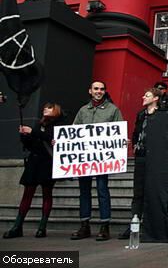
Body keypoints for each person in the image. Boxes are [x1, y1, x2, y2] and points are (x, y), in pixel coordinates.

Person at [71, 81, 124, 241]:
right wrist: (61, 142)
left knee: (102, 190)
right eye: (96, 89)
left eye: (101, 89)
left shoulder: (113, 110)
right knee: (84, 191)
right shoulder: (82, 111)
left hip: (103, 159)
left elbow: (119, 129)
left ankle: (104, 226)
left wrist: (123, 140)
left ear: (104, 91)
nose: (99, 91)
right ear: (90, 91)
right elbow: (73, 131)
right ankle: (84, 225)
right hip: (84, 159)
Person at [3, 103, 65, 239]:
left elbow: (50, 138)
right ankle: (17, 226)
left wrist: (33, 132)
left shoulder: (59, 125)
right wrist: (25, 136)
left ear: (56, 111)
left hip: (48, 163)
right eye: (45, 107)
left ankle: (42, 227)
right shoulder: (39, 124)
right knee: (27, 194)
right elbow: (32, 144)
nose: (45, 109)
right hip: (34, 162)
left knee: (47, 194)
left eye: (49, 107)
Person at [118, 88, 161, 240]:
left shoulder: (162, 114)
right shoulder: (141, 114)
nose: (143, 97)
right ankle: (133, 224)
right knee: (138, 193)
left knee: (153, 192)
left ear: (155, 98)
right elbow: (136, 132)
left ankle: (152, 225)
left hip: (156, 159)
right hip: (141, 157)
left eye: (147, 95)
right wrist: (134, 143)